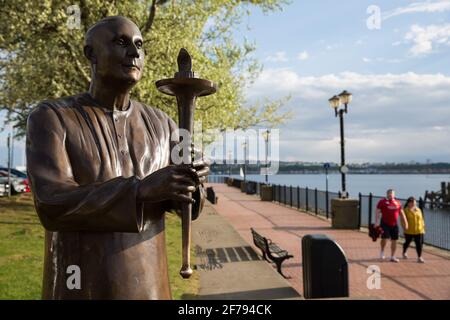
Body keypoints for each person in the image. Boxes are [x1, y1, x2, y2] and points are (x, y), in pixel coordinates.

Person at [26, 16, 210, 299]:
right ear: (91, 53)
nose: (134, 53)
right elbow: (51, 202)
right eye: (121, 43)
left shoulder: (163, 124)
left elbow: (184, 203)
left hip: (151, 285)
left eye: (139, 45)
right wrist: (139, 191)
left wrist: (192, 182)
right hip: (82, 283)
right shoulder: (52, 118)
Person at [375, 189, 408, 262]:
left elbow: (402, 214)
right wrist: (376, 222)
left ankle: (392, 256)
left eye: (392, 194)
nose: (390, 195)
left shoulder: (398, 203)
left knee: (394, 240)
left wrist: (406, 223)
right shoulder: (382, 202)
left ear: (394, 195)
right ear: (387, 194)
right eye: (389, 193)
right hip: (384, 223)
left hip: (394, 224)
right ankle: (382, 251)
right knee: (384, 239)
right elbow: (377, 211)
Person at [402, 197, 426, 263]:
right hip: (409, 230)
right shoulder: (405, 210)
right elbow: (403, 220)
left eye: (415, 202)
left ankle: (419, 257)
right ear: (408, 203)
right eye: (412, 202)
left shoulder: (419, 209)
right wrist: (404, 227)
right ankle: (404, 252)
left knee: (419, 244)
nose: (413, 203)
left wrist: (423, 226)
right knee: (407, 242)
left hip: (419, 230)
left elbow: (422, 219)